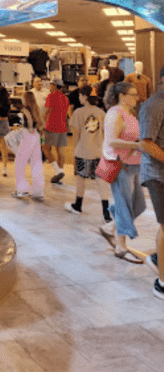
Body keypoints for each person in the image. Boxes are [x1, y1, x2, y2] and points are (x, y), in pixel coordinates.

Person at [99, 82, 144, 263]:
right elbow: (112, 142)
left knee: (139, 204)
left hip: (133, 163)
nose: (136, 98)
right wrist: (137, 145)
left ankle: (111, 225)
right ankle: (121, 246)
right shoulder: (114, 114)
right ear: (122, 96)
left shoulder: (130, 113)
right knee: (124, 204)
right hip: (121, 165)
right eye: (132, 94)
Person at [65, 85, 111, 222]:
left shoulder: (78, 113)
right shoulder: (102, 113)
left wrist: (75, 152)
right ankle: (106, 213)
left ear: (85, 97)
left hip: (82, 151)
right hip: (98, 151)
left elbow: (76, 136)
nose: (79, 98)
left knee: (80, 179)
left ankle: (77, 206)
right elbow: (104, 134)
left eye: (80, 95)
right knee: (101, 182)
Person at [138, 64, 164, 298]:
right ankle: (161, 282)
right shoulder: (154, 104)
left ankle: (158, 257)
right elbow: (145, 142)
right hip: (157, 174)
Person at [12, 91, 45, 200]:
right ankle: (38, 192)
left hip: (28, 134)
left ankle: (22, 190)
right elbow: (41, 123)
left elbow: (29, 119)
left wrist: (30, 126)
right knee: (36, 163)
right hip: (35, 135)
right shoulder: (36, 107)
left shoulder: (25, 109)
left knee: (20, 162)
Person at [42, 78, 69, 183]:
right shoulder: (65, 98)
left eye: (51, 84)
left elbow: (47, 111)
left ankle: (57, 171)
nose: (50, 86)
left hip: (52, 126)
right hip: (63, 126)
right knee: (60, 150)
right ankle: (60, 173)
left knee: (45, 148)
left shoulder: (51, 96)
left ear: (54, 85)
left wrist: (42, 122)